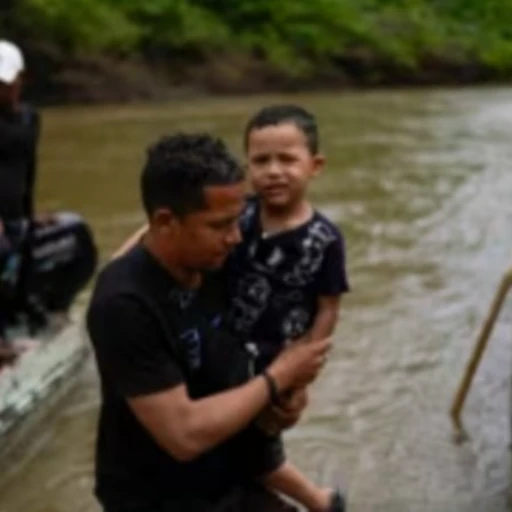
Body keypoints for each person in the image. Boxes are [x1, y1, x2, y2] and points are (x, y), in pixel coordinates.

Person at [86, 133, 342, 512]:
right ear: (165, 222)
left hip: (233, 473)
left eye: (237, 220)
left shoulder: (215, 259)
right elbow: (184, 434)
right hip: (160, 498)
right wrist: (279, 376)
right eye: (219, 225)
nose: (235, 237)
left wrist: (291, 392)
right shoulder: (125, 304)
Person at [225, 103, 350, 416]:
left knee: (260, 442)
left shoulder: (325, 240)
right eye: (261, 161)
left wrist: (301, 377)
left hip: (276, 364)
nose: (273, 171)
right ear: (247, 168)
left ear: (315, 165)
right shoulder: (238, 214)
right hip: (221, 347)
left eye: (287, 159)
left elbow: (328, 308)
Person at [0, 40, 97, 358]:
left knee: (76, 234)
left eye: (5, 82)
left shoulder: (29, 120)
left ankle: (46, 312)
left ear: (21, 80)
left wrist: (29, 215)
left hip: (17, 218)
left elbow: (27, 169)